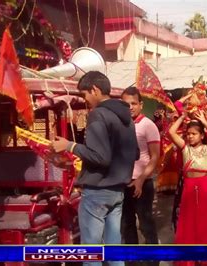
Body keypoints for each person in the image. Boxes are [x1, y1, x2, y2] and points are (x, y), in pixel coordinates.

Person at [51, 71, 138, 266]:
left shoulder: (98, 114)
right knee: (114, 251)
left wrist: (69, 146)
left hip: (98, 192)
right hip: (118, 191)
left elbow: (100, 157)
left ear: (95, 90)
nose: (85, 100)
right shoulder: (127, 118)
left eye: (85, 95)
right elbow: (135, 153)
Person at [168, 110, 207, 266]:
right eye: (188, 134)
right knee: (188, 223)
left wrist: (206, 121)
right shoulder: (184, 148)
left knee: (206, 223)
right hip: (188, 189)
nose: (190, 136)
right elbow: (171, 132)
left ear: (202, 135)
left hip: (205, 188)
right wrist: (181, 116)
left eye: (194, 134)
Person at [120, 87, 160, 246]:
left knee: (146, 224)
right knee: (126, 224)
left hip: (143, 183)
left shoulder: (148, 125)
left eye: (134, 103)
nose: (130, 107)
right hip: (123, 182)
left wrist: (141, 179)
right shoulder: (119, 125)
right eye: (126, 104)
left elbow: (155, 156)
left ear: (141, 105)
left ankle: (152, 261)